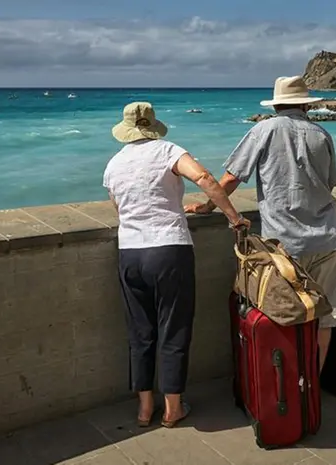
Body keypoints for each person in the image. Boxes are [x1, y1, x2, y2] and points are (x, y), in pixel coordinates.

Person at [185, 76, 336, 373]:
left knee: (284, 315)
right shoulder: (322, 134)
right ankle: (312, 385)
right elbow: (330, 184)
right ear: (305, 105)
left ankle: (287, 387)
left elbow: (232, 177)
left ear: (276, 104)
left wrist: (208, 206)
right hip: (328, 238)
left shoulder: (264, 130)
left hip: (284, 246)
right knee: (327, 318)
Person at [103, 101, 251, 429]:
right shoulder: (168, 151)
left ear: (126, 130)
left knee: (140, 332)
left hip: (130, 252)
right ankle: (172, 408)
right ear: (153, 126)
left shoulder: (113, 164)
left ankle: (144, 408)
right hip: (169, 249)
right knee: (174, 327)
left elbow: (119, 209)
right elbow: (204, 177)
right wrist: (233, 217)